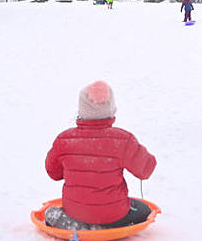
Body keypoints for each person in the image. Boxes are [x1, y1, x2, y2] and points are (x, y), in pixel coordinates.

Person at [44, 80, 157, 230]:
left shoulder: (64, 140)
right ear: (111, 109)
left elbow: (54, 173)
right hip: (114, 215)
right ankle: (104, 226)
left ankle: (77, 224)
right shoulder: (123, 140)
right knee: (145, 210)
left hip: (75, 212)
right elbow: (146, 169)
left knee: (50, 212)